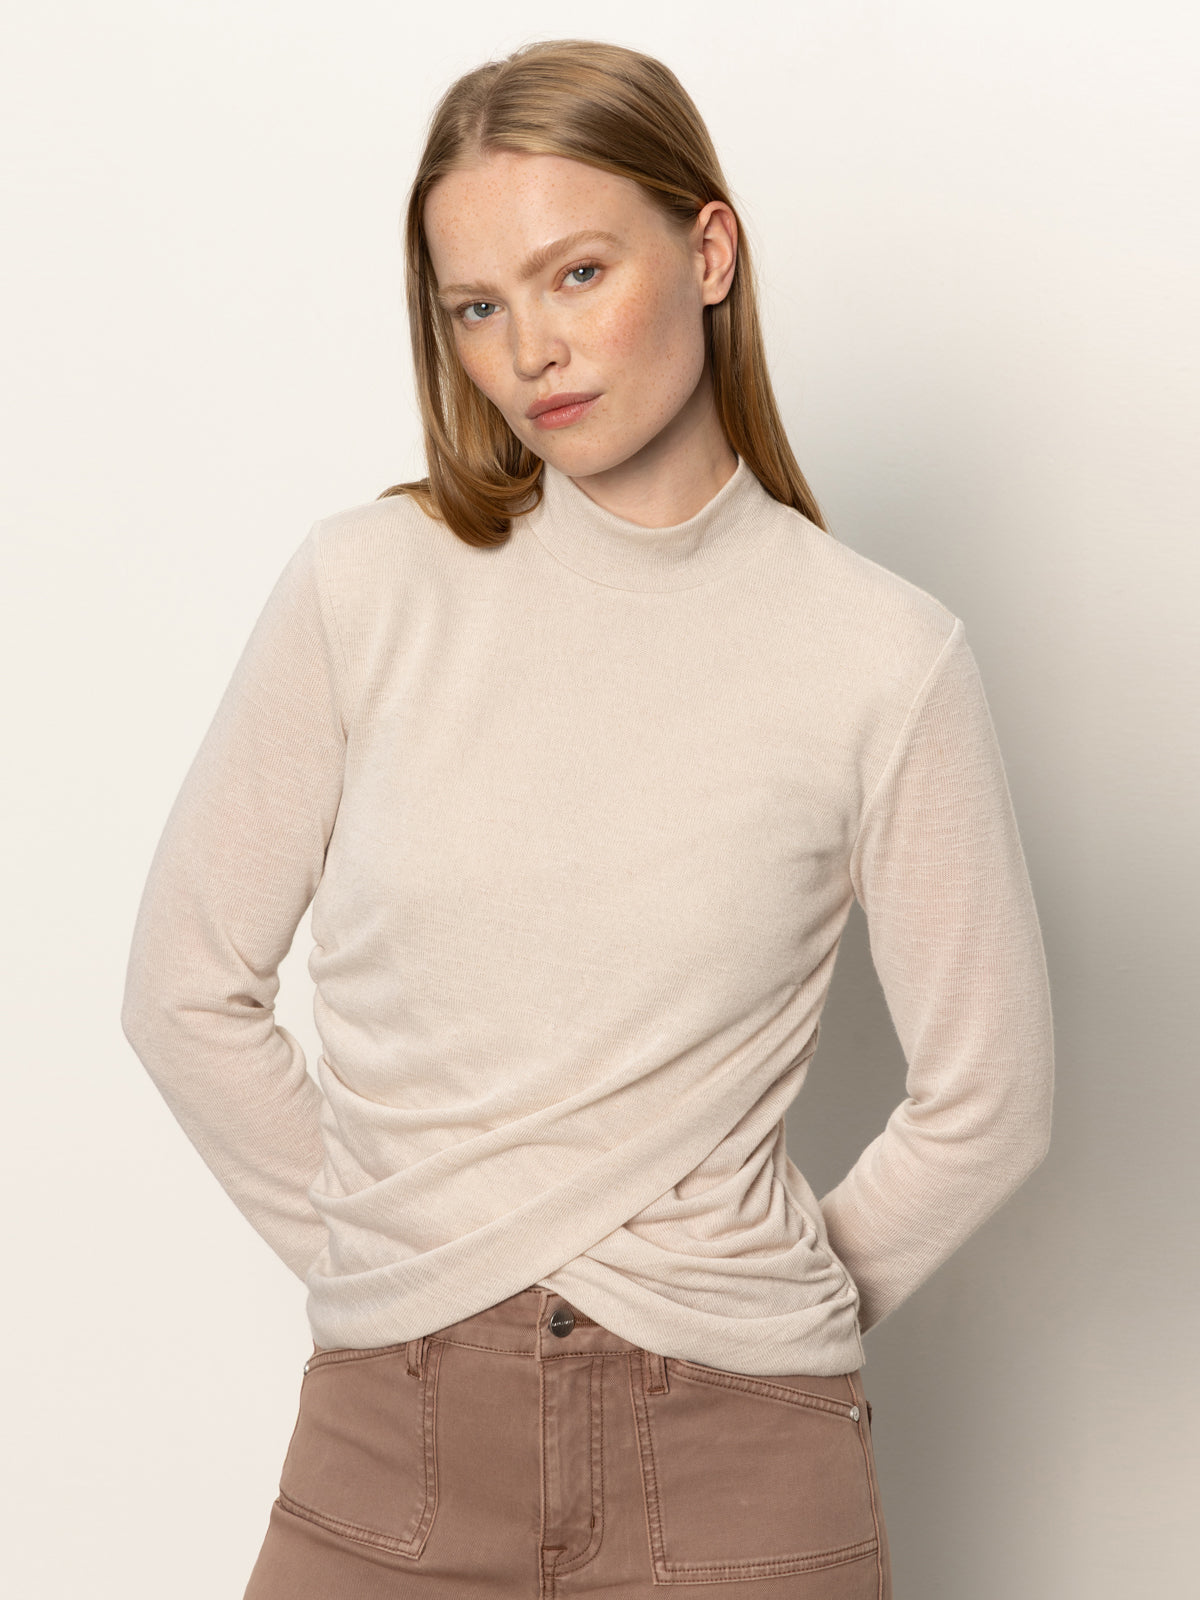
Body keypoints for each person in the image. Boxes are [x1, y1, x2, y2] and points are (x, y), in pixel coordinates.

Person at [120, 37, 1055, 1600]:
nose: (530, 350)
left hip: (743, 1457)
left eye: (574, 273)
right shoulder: (370, 589)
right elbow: (182, 992)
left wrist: (766, 1299)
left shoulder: (884, 655)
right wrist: (403, 1257)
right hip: (393, 1443)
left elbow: (992, 1097)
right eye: (477, 306)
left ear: (707, 251)